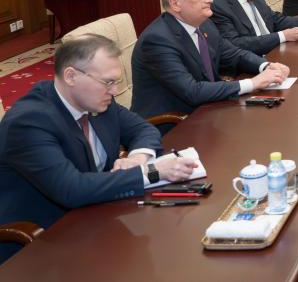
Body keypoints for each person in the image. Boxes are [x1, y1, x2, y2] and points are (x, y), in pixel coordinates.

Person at [0, 35, 196, 264]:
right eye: (108, 82)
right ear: (71, 76)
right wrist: (152, 172)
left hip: (96, 217)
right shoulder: (29, 122)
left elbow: (143, 129)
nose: (115, 90)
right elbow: (71, 189)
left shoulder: (94, 100)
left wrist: (137, 158)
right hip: (41, 242)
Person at [131, 0, 289, 126]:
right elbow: (192, 91)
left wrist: (265, 66)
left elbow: (233, 54)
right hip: (174, 125)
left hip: (209, 110)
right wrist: (253, 83)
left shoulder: (205, 24)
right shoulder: (157, 40)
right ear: (175, 3)